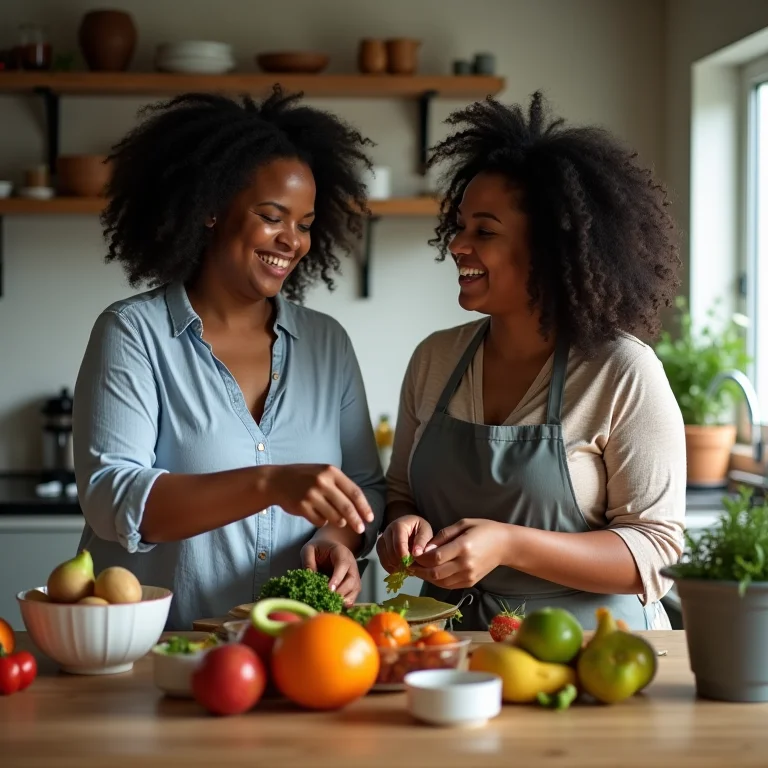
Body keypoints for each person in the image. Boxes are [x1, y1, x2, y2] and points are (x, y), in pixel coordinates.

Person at [73, 87, 385, 629]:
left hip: (298, 655)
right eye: (272, 217)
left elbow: (365, 490)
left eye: (305, 224)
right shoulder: (133, 333)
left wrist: (338, 538)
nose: (292, 240)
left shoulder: (327, 344)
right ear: (212, 208)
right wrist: (269, 483)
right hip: (160, 657)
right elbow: (111, 498)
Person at [377, 92, 686, 631]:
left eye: (485, 231)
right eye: (461, 226)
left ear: (549, 248)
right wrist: (404, 528)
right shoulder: (435, 359)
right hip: (454, 649)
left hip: (594, 654)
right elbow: (401, 493)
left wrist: (510, 544)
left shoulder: (622, 371)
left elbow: (656, 548)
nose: (457, 245)